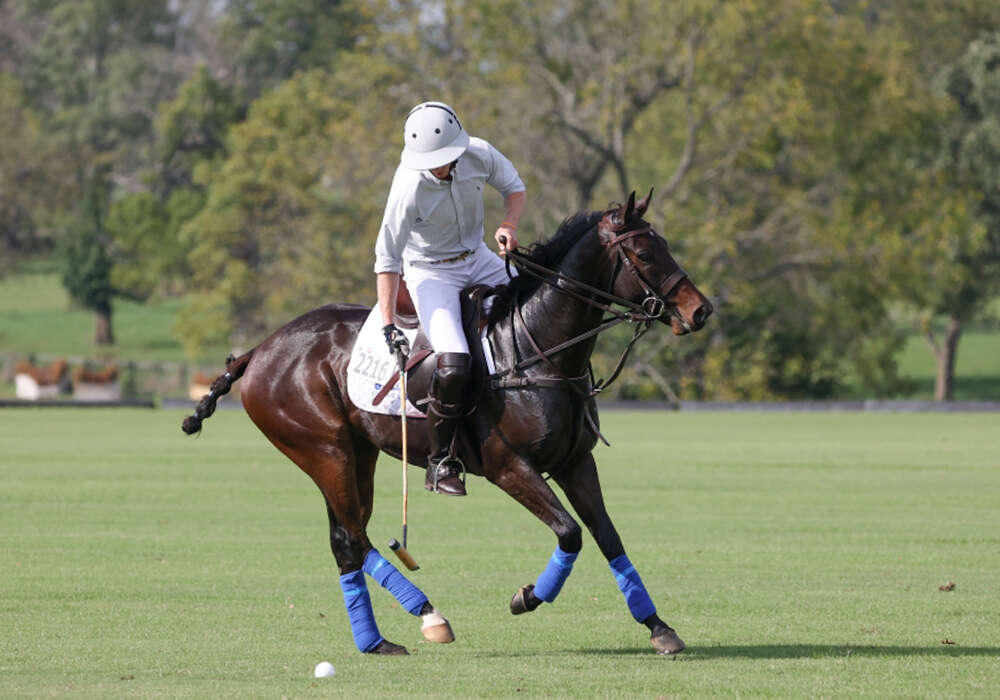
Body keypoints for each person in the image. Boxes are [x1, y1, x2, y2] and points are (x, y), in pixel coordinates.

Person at [374, 101, 526, 497]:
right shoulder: (407, 189)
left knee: (537, 304)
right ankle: (440, 460)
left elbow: (515, 188)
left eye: (445, 160)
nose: (439, 168)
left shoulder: (478, 153)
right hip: (431, 272)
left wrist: (508, 223)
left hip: (478, 258)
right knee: (454, 361)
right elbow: (387, 258)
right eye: (432, 163)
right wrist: (389, 324)